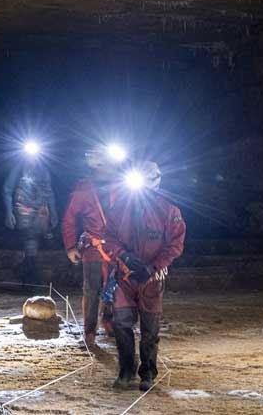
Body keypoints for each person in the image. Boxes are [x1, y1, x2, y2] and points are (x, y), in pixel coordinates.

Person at [104, 161, 185, 391]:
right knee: (121, 323)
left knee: (150, 328)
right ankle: (126, 370)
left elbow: (175, 244)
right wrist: (125, 256)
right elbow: (108, 236)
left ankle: (148, 372)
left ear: (156, 182)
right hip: (126, 276)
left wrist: (154, 266)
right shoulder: (120, 208)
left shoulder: (169, 211)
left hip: (152, 279)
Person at [61, 145, 123, 347]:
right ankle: (89, 331)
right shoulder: (84, 188)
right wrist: (71, 246)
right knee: (92, 289)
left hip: (118, 247)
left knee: (116, 287)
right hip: (93, 248)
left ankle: (110, 322)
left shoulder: (122, 185)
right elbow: (70, 218)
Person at [3, 145, 58, 289]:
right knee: (30, 243)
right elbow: (7, 189)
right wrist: (9, 212)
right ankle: (30, 282)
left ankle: (29, 278)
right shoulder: (19, 169)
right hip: (24, 211)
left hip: (41, 213)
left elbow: (49, 192)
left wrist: (53, 211)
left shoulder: (43, 171)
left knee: (38, 244)